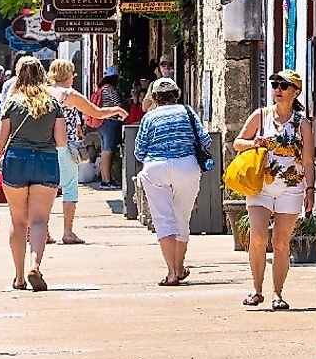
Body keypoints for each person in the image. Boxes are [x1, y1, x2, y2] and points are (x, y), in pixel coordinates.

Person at [234, 70, 316, 310]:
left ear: (296, 92)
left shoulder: (302, 124)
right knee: (258, 237)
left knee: (281, 241)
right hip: (260, 185)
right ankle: (256, 289)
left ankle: (277, 293)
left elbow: (309, 161)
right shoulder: (260, 116)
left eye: (284, 85)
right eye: (275, 84)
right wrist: (254, 143)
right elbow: (238, 143)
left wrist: (310, 190)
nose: (278, 89)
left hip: (291, 188)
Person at [0, 58, 68, 292]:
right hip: (46, 161)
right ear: (42, 75)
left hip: (16, 161)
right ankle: (35, 265)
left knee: (18, 220)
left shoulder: (12, 103)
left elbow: (0, 141)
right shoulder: (53, 103)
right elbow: (61, 141)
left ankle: (19, 277)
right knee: (39, 220)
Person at [132, 77, 212, 286]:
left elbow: (139, 151)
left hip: (156, 168)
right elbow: (205, 140)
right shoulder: (187, 112)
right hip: (187, 166)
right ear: (176, 95)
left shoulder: (149, 118)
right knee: (182, 217)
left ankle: (171, 273)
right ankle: (179, 266)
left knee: (163, 219)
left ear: (155, 97)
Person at [46, 59, 123, 244]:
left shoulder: (43, 93)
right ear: (67, 74)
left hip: (45, 147)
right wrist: (116, 110)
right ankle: (67, 232)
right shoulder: (68, 94)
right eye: (72, 73)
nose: (74, 76)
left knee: (45, 190)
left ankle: (42, 230)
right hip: (66, 147)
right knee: (70, 188)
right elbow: (95, 112)